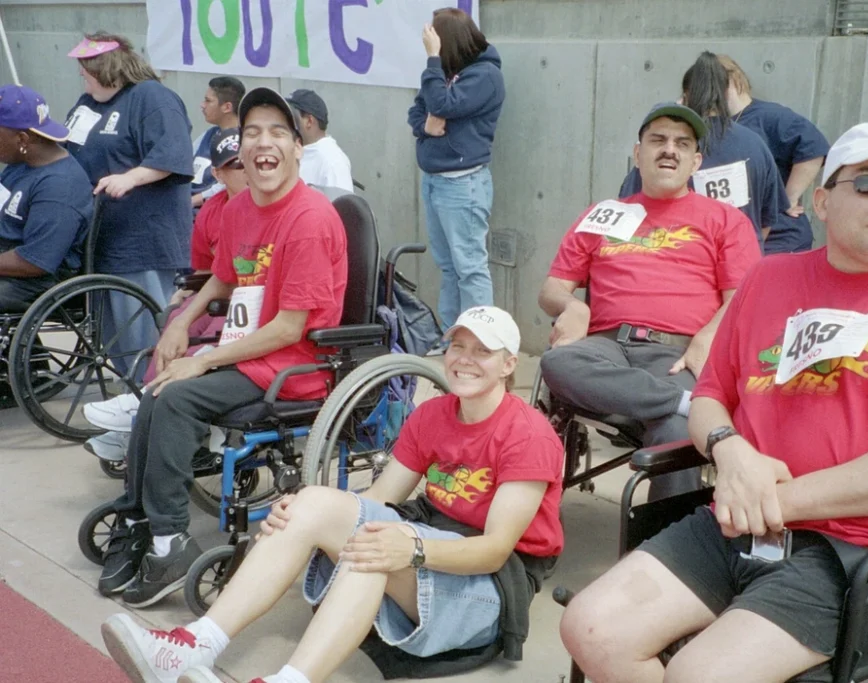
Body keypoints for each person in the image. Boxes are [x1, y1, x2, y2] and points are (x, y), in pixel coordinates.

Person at [560, 122, 868, 683]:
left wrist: (776, 501)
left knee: (699, 675)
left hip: (859, 552)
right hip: (735, 525)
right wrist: (730, 450)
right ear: (822, 201)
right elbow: (709, 398)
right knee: (590, 629)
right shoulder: (769, 279)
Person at [100, 306, 564, 683]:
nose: (465, 359)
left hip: (495, 581)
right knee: (312, 505)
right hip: (436, 538)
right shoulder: (433, 414)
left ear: (509, 365)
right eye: (458, 347)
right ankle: (195, 645)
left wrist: (412, 548)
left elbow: (494, 550)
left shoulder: (528, 436)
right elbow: (380, 498)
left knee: (374, 551)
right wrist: (307, 517)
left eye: (483, 351)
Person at [91, 87, 348, 608]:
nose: (263, 143)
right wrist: (182, 323)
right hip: (246, 352)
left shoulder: (310, 220)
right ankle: (140, 520)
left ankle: (170, 541)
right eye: (252, 133)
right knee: (156, 391)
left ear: (298, 148)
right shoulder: (239, 208)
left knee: (176, 398)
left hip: (293, 365)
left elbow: (288, 329)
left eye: (277, 132)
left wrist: (203, 359)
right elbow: (225, 277)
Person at [540, 102, 761, 498]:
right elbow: (552, 288)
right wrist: (574, 306)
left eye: (682, 143)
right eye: (658, 140)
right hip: (605, 347)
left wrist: (707, 337)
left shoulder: (725, 220)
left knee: (676, 431)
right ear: (638, 153)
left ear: (695, 162)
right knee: (558, 362)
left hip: (676, 356)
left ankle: (667, 536)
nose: (669, 149)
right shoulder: (603, 215)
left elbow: (743, 299)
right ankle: (683, 403)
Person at [83, 127, 247, 462]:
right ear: (217, 174)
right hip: (219, 291)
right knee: (177, 315)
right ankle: (142, 406)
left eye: (247, 162)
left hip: (247, 300)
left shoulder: (262, 209)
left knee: (213, 324)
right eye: (235, 165)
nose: (245, 170)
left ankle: (145, 405)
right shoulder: (214, 210)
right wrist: (184, 295)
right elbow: (204, 270)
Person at [64, 32, 194, 373]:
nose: (81, 75)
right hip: (102, 234)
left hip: (142, 238)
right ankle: (127, 389)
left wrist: (131, 177)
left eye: (86, 69)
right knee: (114, 333)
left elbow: (174, 152)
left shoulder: (151, 98)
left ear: (104, 68)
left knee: (141, 329)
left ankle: (149, 390)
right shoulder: (89, 102)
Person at [619, 52, 787, 250]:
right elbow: (766, 220)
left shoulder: (663, 152)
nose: (672, 148)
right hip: (743, 257)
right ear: (726, 93)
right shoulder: (756, 143)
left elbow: (629, 211)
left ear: (685, 96)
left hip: (680, 258)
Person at [407, 8, 505, 331]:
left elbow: (441, 104)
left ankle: (480, 338)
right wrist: (425, 127)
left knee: (470, 268)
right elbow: (417, 110)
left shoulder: (485, 76)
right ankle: (452, 336)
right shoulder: (444, 74)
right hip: (434, 181)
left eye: (436, 41)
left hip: (463, 185)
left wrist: (433, 59)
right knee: (448, 267)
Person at [718, 53, 831, 254]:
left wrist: (789, 198)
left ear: (731, 80)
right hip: (740, 237)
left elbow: (813, 145)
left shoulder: (769, 116)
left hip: (779, 238)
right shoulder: (717, 124)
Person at [0, 84, 93, 313]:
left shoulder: (60, 186)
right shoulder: (21, 164)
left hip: (36, 280)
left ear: (22, 139)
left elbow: (36, 261)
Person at [191, 76, 245, 210]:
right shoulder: (207, 135)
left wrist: (193, 200)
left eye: (208, 101)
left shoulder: (245, 139)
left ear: (227, 107)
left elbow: (234, 182)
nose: (202, 105)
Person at [285, 88, 354, 192]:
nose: (286, 123)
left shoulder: (333, 162)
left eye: (292, 117)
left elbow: (341, 201)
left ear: (309, 121)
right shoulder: (294, 150)